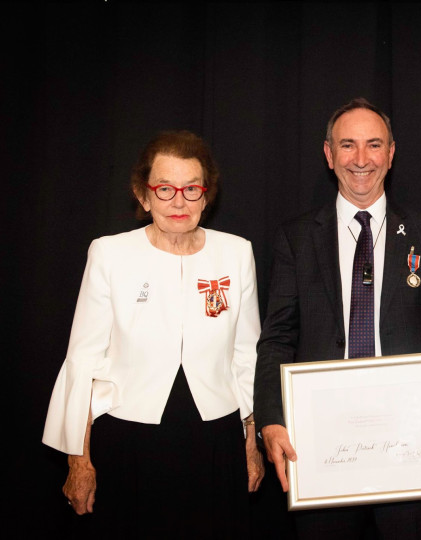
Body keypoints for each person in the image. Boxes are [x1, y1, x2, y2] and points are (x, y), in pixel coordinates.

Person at [253, 97, 421, 539]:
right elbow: (277, 337)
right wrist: (270, 417)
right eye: (348, 145)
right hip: (322, 448)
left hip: (412, 445)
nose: (361, 159)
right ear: (328, 154)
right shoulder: (296, 238)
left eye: (374, 145)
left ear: (392, 152)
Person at [42, 130, 264, 538]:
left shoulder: (236, 252)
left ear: (206, 195)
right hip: (129, 442)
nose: (178, 201)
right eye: (164, 188)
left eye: (191, 188)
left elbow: (247, 353)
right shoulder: (109, 254)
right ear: (143, 196)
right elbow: (82, 361)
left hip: (215, 443)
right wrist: (79, 460)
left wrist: (252, 441)